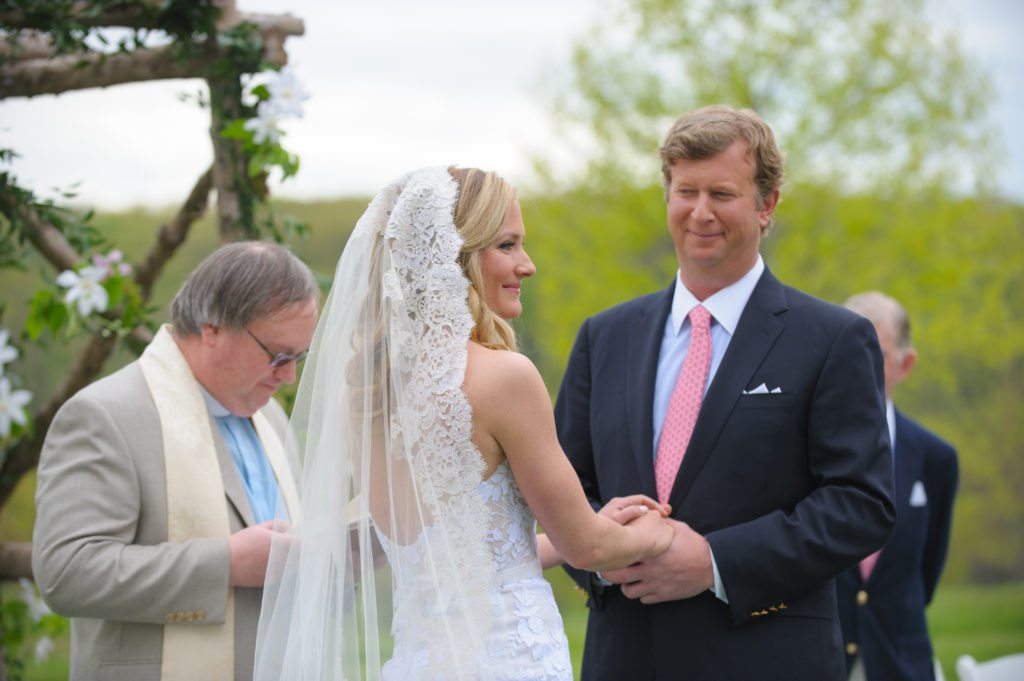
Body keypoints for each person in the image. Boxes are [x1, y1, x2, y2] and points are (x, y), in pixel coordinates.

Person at [253, 166, 674, 680]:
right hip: (508, 662)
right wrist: (657, 534)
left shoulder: (369, 395)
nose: (528, 265)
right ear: (456, 258)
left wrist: (591, 525)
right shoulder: (504, 378)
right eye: (508, 245)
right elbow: (587, 547)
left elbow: (462, 558)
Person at [553, 105, 898, 681]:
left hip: (766, 660)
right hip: (625, 659)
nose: (700, 212)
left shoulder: (834, 340)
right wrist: (603, 557)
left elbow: (862, 505)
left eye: (723, 193)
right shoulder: (604, 336)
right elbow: (561, 490)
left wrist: (715, 563)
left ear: (767, 205)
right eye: (685, 191)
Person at [32, 241, 319, 681]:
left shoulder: (271, 418)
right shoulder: (104, 415)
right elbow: (66, 574)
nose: (288, 376)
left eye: (297, 358)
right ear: (212, 329)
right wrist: (227, 563)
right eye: (277, 355)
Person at [837, 291, 959, 681]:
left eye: (876, 353)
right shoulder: (799, 450)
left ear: (906, 364)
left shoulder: (935, 458)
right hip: (822, 660)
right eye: (847, 352)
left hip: (901, 663)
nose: (858, 367)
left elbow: (927, 569)